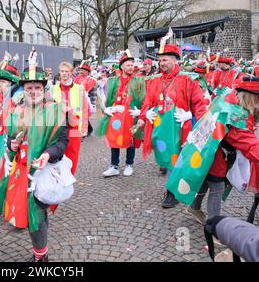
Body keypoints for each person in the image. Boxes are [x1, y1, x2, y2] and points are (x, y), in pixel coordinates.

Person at [0, 49, 69, 262]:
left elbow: (62, 142)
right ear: (24, 89)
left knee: (37, 212)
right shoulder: (16, 111)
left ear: (43, 89)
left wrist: (47, 154)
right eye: (29, 87)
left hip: (42, 170)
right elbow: (9, 139)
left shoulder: (54, 111)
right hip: (21, 169)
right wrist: (11, 145)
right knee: (29, 212)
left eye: (38, 87)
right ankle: (41, 252)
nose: (34, 91)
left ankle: (41, 256)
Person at [167, 76, 259, 223]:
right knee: (217, 189)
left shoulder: (228, 98)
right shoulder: (235, 116)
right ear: (251, 98)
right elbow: (248, 143)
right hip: (214, 156)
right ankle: (214, 226)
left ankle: (194, 207)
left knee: (205, 180)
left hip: (205, 151)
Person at [136, 42, 207, 208]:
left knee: (177, 159)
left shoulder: (187, 79)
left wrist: (192, 115)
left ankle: (172, 192)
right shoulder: (154, 81)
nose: (161, 63)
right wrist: (145, 114)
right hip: (161, 128)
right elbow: (148, 101)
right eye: (160, 60)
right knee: (166, 157)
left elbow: (199, 103)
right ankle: (173, 188)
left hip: (180, 128)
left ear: (175, 60)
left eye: (165, 60)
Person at [97, 51, 145, 177]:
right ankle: (114, 166)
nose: (131, 67)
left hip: (131, 115)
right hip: (116, 115)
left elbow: (144, 98)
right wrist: (106, 109)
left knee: (131, 140)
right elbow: (103, 96)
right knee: (114, 138)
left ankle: (129, 164)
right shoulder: (112, 81)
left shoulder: (139, 81)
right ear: (122, 67)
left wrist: (140, 112)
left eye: (132, 65)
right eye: (128, 65)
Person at [0, 53, 23, 200]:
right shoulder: (5, 96)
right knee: (2, 168)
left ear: (9, 82)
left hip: (14, 139)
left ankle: (12, 198)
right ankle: (5, 196)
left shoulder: (18, 97)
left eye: (0, 83)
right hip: (3, 136)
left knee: (11, 169)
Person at [52, 61, 88, 175]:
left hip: (75, 126)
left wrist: (84, 127)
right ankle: (58, 176)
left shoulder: (79, 89)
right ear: (59, 72)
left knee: (73, 152)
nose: (64, 74)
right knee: (57, 151)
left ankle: (70, 175)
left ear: (71, 73)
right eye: (62, 71)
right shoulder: (53, 89)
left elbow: (85, 109)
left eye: (66, 71)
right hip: (58, 126)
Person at [74, 59, 97, 136]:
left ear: (87, 71)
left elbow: (93, 93)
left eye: (83, 70)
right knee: (80, 115)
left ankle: (86, 130)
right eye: (81, 70)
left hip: (87, 101)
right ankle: (87, 129)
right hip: (77, 100)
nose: (81, 71)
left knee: (85, 116)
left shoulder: (91, 80)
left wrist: (93, 104)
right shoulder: (77, 79)